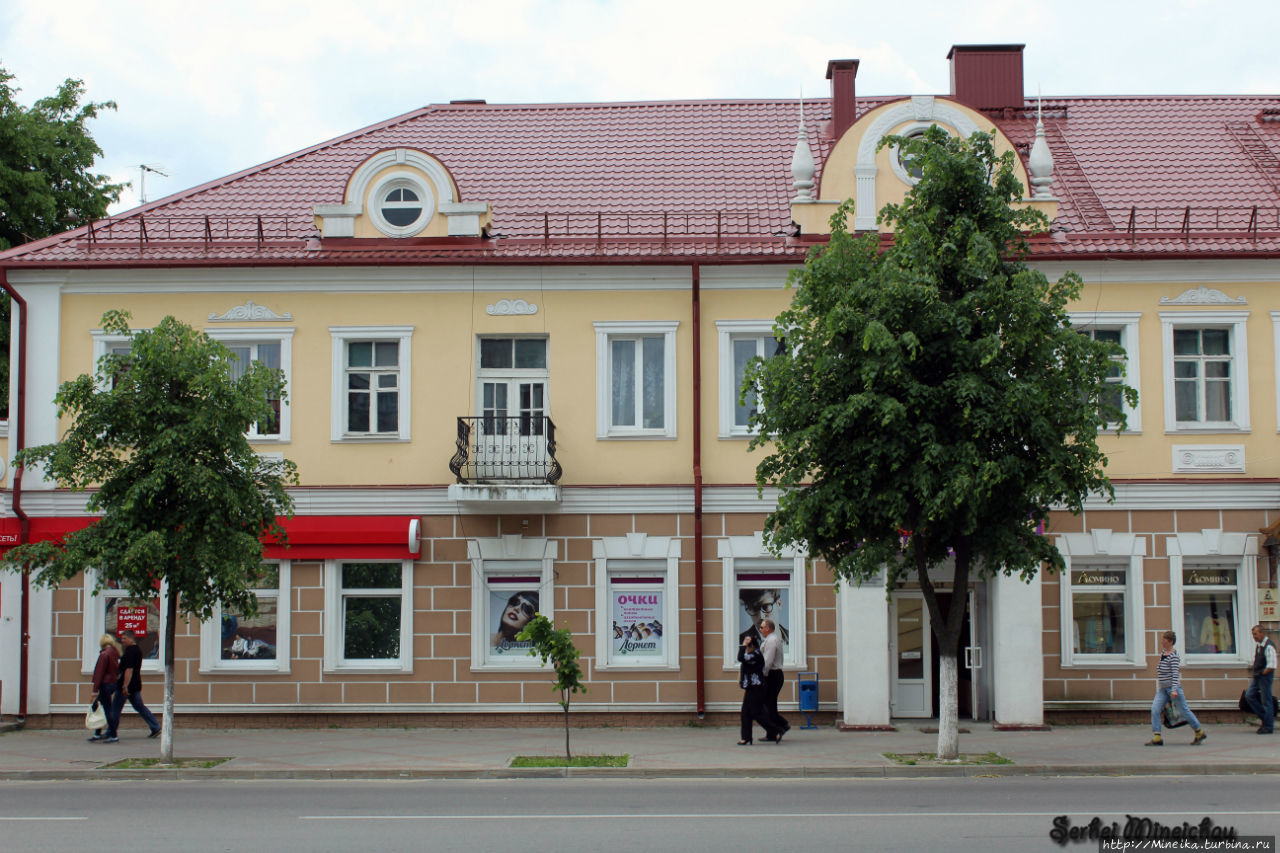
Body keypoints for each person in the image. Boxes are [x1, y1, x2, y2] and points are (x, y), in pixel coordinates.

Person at [1146, 630, 1207, 746]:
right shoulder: (1164, 653)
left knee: (1184, 710)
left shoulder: (1173, 657)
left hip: (1173, 689)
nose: (1162, 641)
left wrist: (1174, 690)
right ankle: (1157, 737)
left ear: (1170, 641)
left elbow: (1175, 674)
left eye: (1164, 639)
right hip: (1163, 689)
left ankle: (1199, 732)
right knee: (1155, 709)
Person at [112, 629, 161, 738]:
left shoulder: (131, 651)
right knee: (139, 706)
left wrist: (125, 686)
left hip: (127, 687)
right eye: (122, 638)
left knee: (115, 709)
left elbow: (129, 670)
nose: (122, 640)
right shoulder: (136, 650)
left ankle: (111, 732)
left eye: (124, 638)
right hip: (135, 685)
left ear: (131, 638)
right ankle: (155, 726)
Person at [735, 634, 777, 745]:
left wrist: (743, 645)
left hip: (757, 688)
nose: (746, 649)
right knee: (745, 713)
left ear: (752, 646)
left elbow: (740, 658)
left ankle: (775, 730)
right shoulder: (753, 654)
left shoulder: (755, 655)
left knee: (756, 713)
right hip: (751, 687)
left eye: (748, 647)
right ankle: (746, 737)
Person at [758, 617, 789, 743]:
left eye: (762, 627)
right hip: (773, 675)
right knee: (769, 704)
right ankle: (775, 730)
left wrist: (762, 675)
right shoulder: (771, 639)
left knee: (767, 704)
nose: (760, 629)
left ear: (768, 628)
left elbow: (768, 661)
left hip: (772, 675)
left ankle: (780, 727)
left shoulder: (771, 641)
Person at [88, 634, 121, 744]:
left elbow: (99, 673)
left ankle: (112, 735)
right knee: (101, 707)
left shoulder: (104, 654)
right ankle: (98, 733)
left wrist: (94, 690)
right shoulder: (114, 652)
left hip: (105, 684)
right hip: (112, 683)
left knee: (104, 708)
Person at [1244, 624, 1276, 734]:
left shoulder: (1269, 646)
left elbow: (1271, 666)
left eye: (1255, 634)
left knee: (1266, 701)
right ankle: (1266, 718)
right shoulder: (1259, 645)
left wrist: (1262, 673)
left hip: (1264, 677)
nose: (1254, 636)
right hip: (1258, 676)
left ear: (1262, 633)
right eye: (1253, 634)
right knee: (1249, 695)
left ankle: (1268, 726)